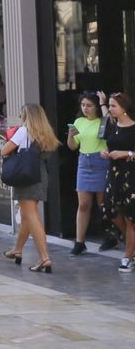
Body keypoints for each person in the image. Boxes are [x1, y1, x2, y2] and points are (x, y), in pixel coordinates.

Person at [2, 104, 60, 273]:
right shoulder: (45, 133)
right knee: (28, 214)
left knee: (32, 215)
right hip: (40, 174)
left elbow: (4, 151)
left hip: (25, 175)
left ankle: (44, 258)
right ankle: (17, 249)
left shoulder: (23, 131)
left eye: (21, 114)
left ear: (26, 115)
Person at [68, 91, 108, 256]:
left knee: (103, 204)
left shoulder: (103, 121)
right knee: (83, 204)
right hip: (84, 161)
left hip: (101, 161)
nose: (85, 108)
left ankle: (110, 235)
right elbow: (72, 146)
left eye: (89, 105)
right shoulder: (79, 121)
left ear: (97, 107)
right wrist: (70, 136)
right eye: (83, 105)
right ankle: (79, 241)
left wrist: (105, 103)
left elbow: (110, 123)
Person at [102, 92, 135, 272]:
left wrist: (126, 154)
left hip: (131, 175)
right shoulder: (112, 127)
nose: (111, 109)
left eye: (113, 106)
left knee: (131, 217)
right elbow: (109, 146)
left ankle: (128, 257)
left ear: (124, 108)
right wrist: (105, 153)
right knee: (109, 208)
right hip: (114, 174)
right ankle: (131, 244)